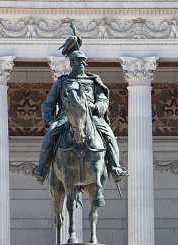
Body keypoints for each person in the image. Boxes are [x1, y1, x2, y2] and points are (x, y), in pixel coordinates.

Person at [31, 26, 127, 186]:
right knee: (50, 135)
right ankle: (42, 167)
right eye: (77, 61)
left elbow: (103, 100)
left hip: (92, 117)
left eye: (83, 61)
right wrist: (49, 122)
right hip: (66, 117)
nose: (81, 63)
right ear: (72, 63)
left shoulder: (93, 80)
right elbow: (48, 104)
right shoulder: (63, 81)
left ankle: (116, 167)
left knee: (110, 136)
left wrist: (96, 107)